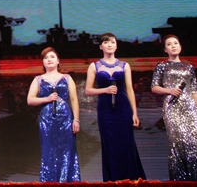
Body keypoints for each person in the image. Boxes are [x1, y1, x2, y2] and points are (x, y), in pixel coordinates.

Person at [151, 34, 197, 181]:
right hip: (172, 108)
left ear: (180, 46)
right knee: (178, 144)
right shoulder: (162, 66)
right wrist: (169, 90)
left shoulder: (189, 67)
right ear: (165, 49)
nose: (173, 46)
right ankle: (180, 180)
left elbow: (193, 90)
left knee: (194, 143)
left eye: (175, 43)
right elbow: (154, 87)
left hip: (190, 108)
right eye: (169, 44)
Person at [85, 32, 146, 181]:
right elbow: (88, 90)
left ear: (116, 45)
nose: (110, 45)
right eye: (106, 42)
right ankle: (113, 180)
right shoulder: (94, 66)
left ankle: (130, 179)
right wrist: (104, 90)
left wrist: (134, 113)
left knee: (126, 144)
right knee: (110, 145)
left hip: (123, 109)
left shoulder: (125, 65)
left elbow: (130, 90)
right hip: (105, 111)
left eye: (112, 42)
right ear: (100, 47)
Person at [26, 47, 80, 182]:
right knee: (49, 151)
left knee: (67, 151)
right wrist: (47, 99)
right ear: (43, 62)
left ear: (58, 61)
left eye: (52, 57)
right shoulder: (38, 79)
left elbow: (74, 100)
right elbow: (30, 100)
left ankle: (67, 182)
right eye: (46, 58)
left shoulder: (67, 78)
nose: (49, 60)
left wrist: (76, 120)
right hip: (47, 120)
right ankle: (49, 182)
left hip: (66, 120)